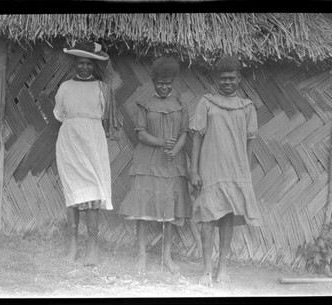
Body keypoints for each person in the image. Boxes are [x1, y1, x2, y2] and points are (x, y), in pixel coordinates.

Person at [189, 56, 262, 286]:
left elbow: (249, 144)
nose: (227, 82)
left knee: (228, 218)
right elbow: (197, 139)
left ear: (239, 79)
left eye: (231, 78)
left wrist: (246, 176)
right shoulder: (207, 103)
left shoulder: (247, 107)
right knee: (208, 219)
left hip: (235, 171)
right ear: (217, 79)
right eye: (223, 78)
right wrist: (194, 171)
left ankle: (223, 268)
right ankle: (207, 270)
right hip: (211, 169)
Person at [119, 57, 192, 273]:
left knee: (169, 209)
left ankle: (167, 256)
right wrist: (162, 143)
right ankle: (141, 254)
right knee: (143, 208)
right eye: (160, 83)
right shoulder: (146, 104)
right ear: (153, 81)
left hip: (172, 162)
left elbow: (184, 132)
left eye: (168, 83)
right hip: (148, 161)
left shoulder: (180, 105)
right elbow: (140, 133)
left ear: (173, 82)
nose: (164, 87)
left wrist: (175, 149)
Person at [54, 40, 121, 266]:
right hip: (70, 142)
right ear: (75, 63)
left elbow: (104, 115)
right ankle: (72, 246)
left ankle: (93, 247)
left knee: (93, 192)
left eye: (89, 64)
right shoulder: (65, 87)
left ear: (95, 66)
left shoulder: (101, 88)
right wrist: (76, 127)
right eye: (81, 63)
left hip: (93, 142)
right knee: (73, 193)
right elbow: (60, 114)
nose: (84, 67)